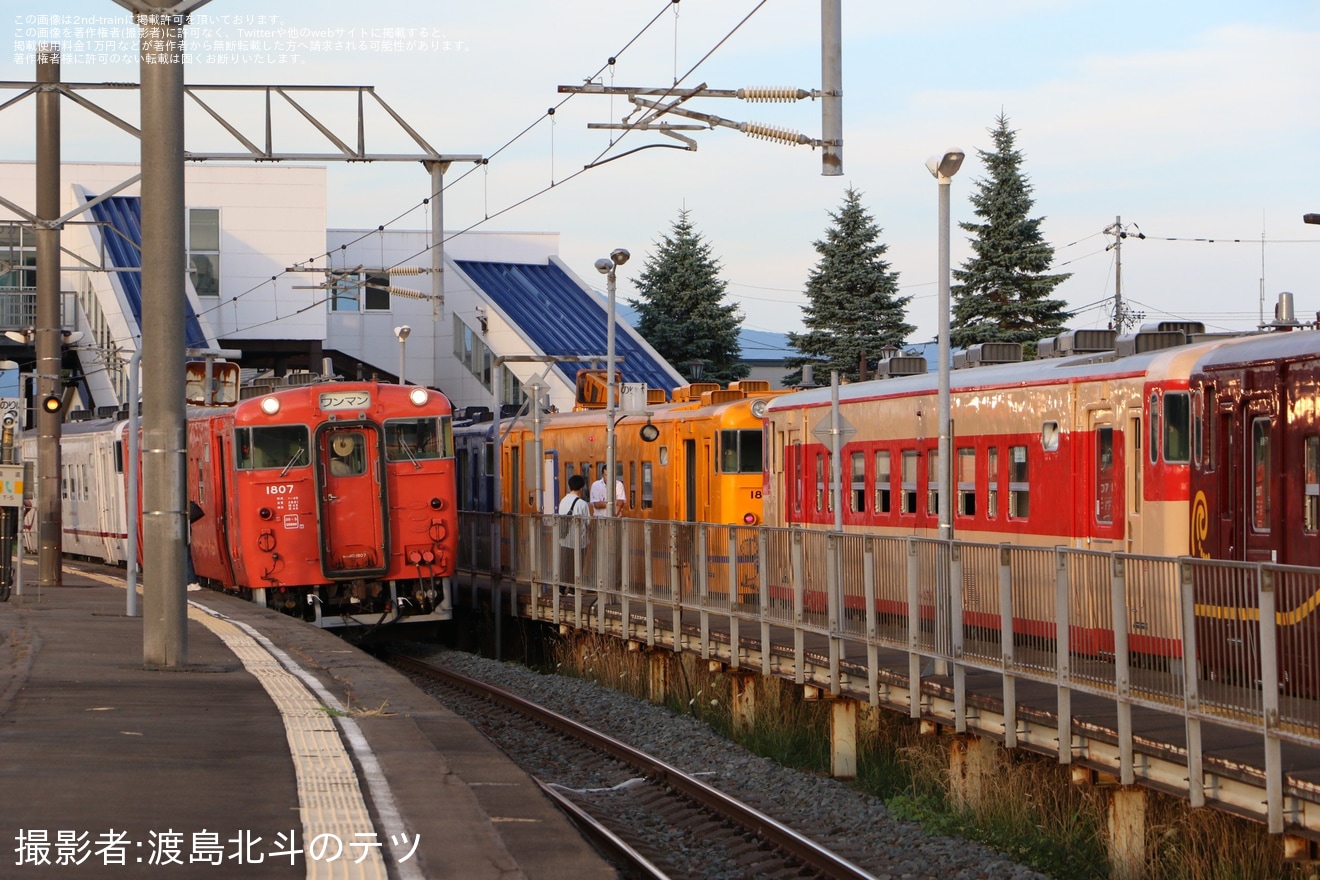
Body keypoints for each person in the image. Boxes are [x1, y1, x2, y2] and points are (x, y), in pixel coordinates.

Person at [557, 474, 590, 592]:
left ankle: (561, 588)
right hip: (579, 541)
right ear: (581, 488)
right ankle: (573, 590)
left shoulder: (563, 501)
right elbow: (588, 522)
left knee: (565, 564)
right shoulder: (582, 504)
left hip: (565, 539)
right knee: (577, 564)